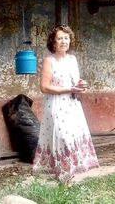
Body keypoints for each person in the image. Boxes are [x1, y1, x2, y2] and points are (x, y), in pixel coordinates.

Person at [33, 25, 99, 182]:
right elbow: (44, 87)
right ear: (53, 42)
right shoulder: (49, 61)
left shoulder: (72, 59)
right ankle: (60, 175)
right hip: (56, 105)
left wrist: (80, 85)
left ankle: (69, 176)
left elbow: (75, 82)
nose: (64, 41)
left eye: (66, 38)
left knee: (73, 137)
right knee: (62, 138)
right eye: (60, 38)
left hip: (72, 105)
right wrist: (70, 88)